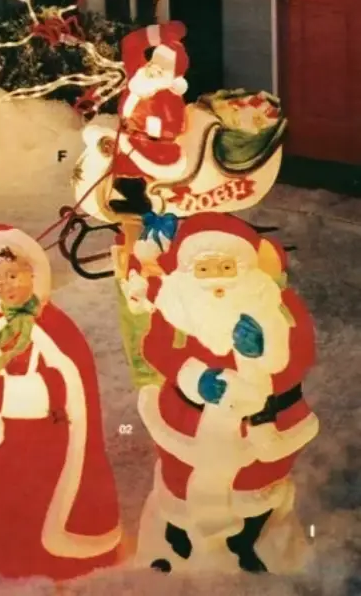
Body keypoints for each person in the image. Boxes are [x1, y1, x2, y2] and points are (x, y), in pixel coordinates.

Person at [0, 224, 123, 580]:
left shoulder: (57, 327)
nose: (7, 286)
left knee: (34, 503)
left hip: (43, 444)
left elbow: (67, 386)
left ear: (33, 272)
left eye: (13, 275)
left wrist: (2, 394)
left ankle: (38, 558)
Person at [136, 212, 319, 574]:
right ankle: (178, 541)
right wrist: (193, 376)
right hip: (187, 414)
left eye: (226, 265)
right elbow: (155, 348)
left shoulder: (278, 308)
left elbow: (301, 357)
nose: (217, 279)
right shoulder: (177, 308)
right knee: (182, 480)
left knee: (253, 484)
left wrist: (266, 352)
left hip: (262, 421)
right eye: (204, 269)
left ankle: (248, 541)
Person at [109, 22, 190, 217]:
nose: (156, 68)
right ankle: (133, 199)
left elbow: (173, 126)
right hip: (133, 137)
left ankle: (141, 205)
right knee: (118, 170)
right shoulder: (140, 75)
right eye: (157, 59)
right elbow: (130, 44)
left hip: (155, 146)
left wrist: (144, 128)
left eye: (164, 65)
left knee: (128, 172)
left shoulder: (169, 95)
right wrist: (161, 34)